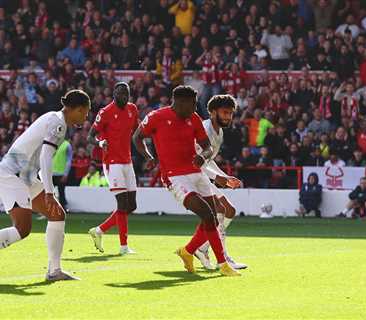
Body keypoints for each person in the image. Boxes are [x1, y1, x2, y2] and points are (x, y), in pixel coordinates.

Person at [133, 85, 240, 276]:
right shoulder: (156, 117)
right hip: (175, 177)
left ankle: (188, 251)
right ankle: (223, 264)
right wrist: (149, 157)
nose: (195, 109)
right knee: (209, 215)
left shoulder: (194, 119)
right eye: (192, 105)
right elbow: (137, 137)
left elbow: (206, 148)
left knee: (214, 217)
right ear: (180, 102)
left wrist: (202, 156)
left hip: (197, 174)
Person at [0, 89, 90, 281]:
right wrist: (49, 192)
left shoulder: (53, 117)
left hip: (25, 176)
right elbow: (45, 157)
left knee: (57, 215)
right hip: (13, 174)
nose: (86, 116)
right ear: (77, 109)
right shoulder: (58, 124)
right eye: (85, 112)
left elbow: (39, 155)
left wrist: (45, 188)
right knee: (22, 229)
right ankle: (54, 271)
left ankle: (54, 271)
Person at [193, 94, 247, 270]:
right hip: (191, 175)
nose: (228, 117)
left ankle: (202, 248)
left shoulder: (219, 132)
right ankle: (222, 257)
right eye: (225, 112)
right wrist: (218, 178)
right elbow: (197, 161)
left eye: (230, 113)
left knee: (229, 210)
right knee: (222, 210)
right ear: (213, 112)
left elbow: (209, 161)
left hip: (202, 174)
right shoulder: (205, 129)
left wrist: (224, 176)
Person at [87, 82, 140, 255]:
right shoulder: (105, 112)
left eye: (127, 94)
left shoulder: (133, 109)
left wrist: (147, 153)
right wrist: (100, 142)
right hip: (112, 162)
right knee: (122, 204)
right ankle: (124, 246)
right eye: (120, 93)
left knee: (131, 206)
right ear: (114, 94)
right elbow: (90, 136)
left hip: (127, 161)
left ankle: (99, 230)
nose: (124, 97)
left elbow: (137, 133)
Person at [52, 139, 73, 210]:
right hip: (51, 173)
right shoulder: (51, 143)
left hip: (61, 173)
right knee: (49, 192)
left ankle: (63, 209)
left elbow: (69, 160)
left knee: (61, 192)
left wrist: (66, 174)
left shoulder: (67, 145)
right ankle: (49, 209)